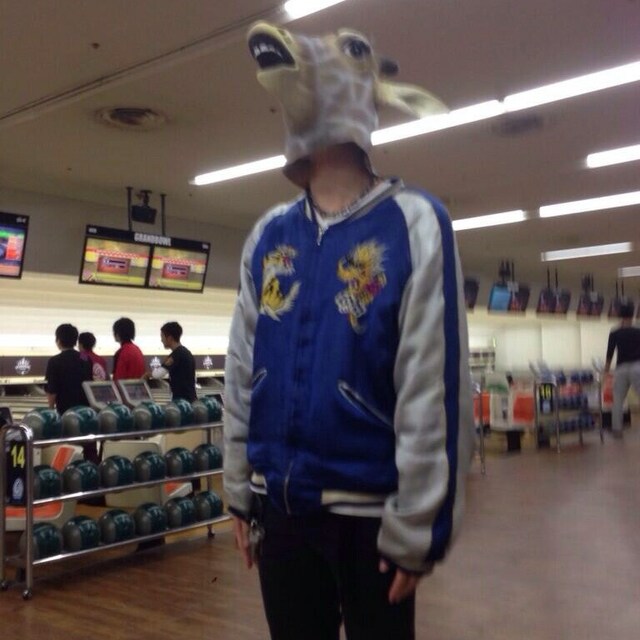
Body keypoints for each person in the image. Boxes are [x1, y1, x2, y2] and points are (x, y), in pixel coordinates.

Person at [223, 22, 475, 640]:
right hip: (281, 508)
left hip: (372, 518)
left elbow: (433, 384)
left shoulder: (414, 223)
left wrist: (420, 525)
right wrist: (238, 490)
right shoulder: (269, 236)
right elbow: (240, 369)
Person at [45, 323, 96, 461]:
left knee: (71, 450)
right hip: (86, 413)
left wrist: (50, 412)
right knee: (90, 450)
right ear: (75, 341)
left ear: (58, 341)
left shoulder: (54, 361)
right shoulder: (85, 358)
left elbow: (52, 391)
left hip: (66, 413)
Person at [604, 302, 640, 439]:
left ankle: (617, 430)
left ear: (620, 315)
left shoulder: (615, 332)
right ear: (632, 314)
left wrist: (606, 372)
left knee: (618, 400)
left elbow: (609, 354)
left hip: (621, 369)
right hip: (637, 367)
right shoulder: (638, 331)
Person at [144, 321, 197, 402]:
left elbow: (158, 374)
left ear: (170, 338)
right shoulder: (187, 352)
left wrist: (148, 374)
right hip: (191, 398)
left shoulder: (175, 355)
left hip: (181, 401)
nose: (161, 340)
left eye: (162, 337)